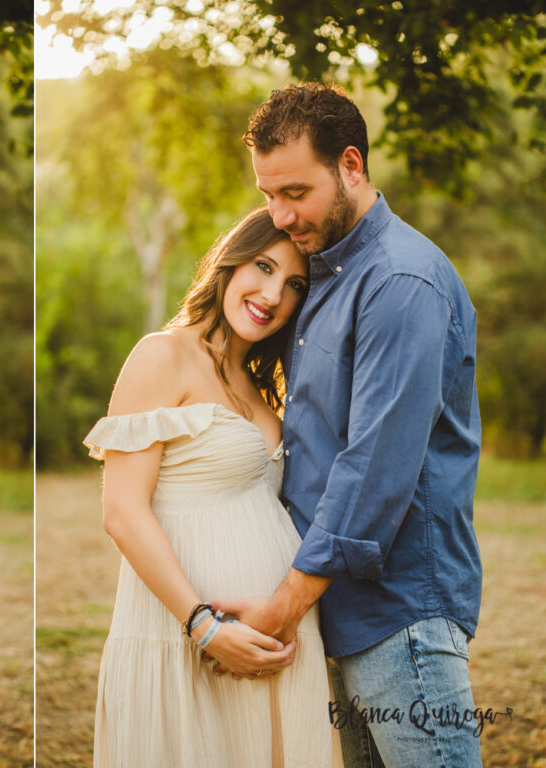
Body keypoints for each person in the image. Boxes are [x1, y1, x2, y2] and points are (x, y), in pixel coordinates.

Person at [213, 83, 482, 768]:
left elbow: (376, 466)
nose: (280, 215)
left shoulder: (399, 280)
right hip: (338, 614)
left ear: (351, 166)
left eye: (296, 192)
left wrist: (284, 605)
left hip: (401, 614)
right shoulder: (324, 271)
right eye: (268, 194)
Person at [83, 207, 340, 767]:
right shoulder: (163, 354)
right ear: (230, 262)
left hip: (271, 642)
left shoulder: (262, 386)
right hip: (185, 641)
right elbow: (123, 512)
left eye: (294, 285)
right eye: (264, 267)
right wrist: (203, 626)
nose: (273, 295)